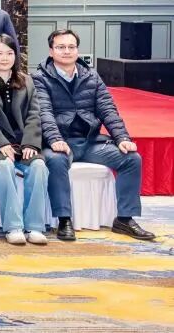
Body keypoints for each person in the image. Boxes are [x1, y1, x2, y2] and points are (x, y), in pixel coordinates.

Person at [35, 29, 155, 242]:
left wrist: (122, 138)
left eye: (71, 47)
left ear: (77, 50)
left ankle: (124, 219)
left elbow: (108, 110)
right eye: (61, 47)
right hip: (59, 143)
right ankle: (64, 219)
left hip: (90, 142)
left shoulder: (91, 76)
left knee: (131, 158)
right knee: (56, 161)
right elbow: (43, 112)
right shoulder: (39, 78)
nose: (66, 51)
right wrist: (55, 139)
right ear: (51, 51)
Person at [0, 34, 49, 245]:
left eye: (9, 53)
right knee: (4, 167)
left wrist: (31, 143)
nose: (4, 58)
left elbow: (34, 114)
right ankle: (13, 227)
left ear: (16, 55)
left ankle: (35, 227)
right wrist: (1, 143)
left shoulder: (27, 81)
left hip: (23, 143)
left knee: (39, 166)